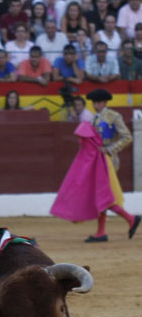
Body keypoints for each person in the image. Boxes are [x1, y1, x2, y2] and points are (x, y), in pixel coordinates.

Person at [51, 89, 140, 242]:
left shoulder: (114, 116)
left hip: (109, 162)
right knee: (101, 195)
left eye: (98, 102)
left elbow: (127, 137)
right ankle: (105, 230)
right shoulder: (93, 119)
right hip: (96, 161)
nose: (96, 105)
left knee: (104, 196)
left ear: (105, 102)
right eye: (94, 103)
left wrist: (109, 149)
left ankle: (127, 220)